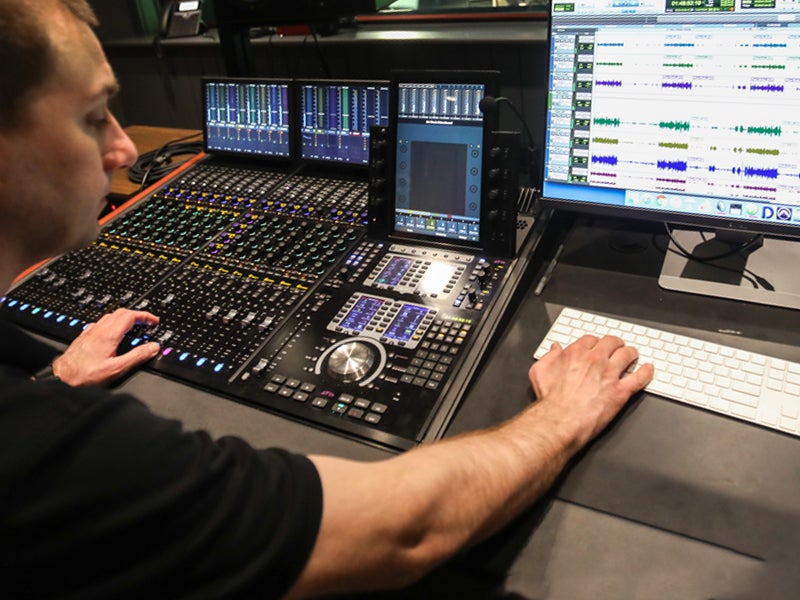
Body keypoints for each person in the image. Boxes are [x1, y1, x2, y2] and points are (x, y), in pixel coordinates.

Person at [0, 1, 655, 598]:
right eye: (92, 117)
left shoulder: (32, 404)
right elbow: (407, 530)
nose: (120, 146)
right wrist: (563, 416)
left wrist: (52, 380)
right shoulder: (47, 454)